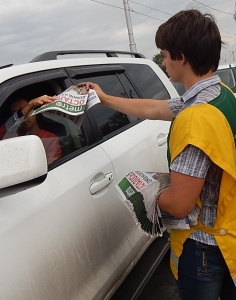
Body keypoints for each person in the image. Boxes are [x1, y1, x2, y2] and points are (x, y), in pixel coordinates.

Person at [79, 9, 236, 300]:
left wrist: (146, 190)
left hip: (204, 246)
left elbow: (178, 204)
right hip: (229, 229)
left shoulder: (195, 118)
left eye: (164, 54)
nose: (162, 62)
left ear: (181, 56)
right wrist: (104, 98)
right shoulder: (220, 95)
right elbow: (155, 109)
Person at [0, 95, 62, 164]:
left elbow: (50, 167)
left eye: (28, 111)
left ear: (36, 113)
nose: (23, 118)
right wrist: (30, 105)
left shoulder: (50, 139)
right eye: (20, 114)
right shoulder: (11, 137)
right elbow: (4, 130)